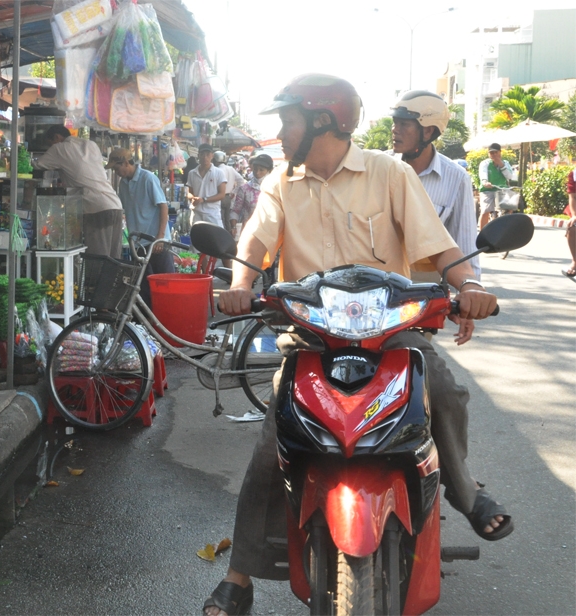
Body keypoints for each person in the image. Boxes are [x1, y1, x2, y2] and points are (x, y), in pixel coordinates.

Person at [204, 74, 512, 616]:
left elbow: (438, 246)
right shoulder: (282, 182)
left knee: (443, 388)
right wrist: (238, 286)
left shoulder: (387, 173)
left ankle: (465, 492)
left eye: (288, 120)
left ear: (323, 121)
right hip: (310, 336)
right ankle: (240, 577)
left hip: (389, 330)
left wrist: (470, 287)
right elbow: (254, 241)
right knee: (270, 442)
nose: (281, 131)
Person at [388, 89, 480, 344]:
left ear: (428, 131)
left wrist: (470, 296)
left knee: (419, 370)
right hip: (374, 286)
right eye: (394, 122)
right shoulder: (378, 169)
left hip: (419, 294)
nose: (394, 129)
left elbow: (465, 244)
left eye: (404, 124)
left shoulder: (456, 178)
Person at [34, 125, 123, 259]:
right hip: (114, 205)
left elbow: (36, 165)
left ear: (57, 137)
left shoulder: (59, 148)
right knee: (113, 259)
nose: (49, 147)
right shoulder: (91, 145)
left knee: (97, 260)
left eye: (50, 143)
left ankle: (96, 281)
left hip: (95, 208)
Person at [106, 147, 175, 307]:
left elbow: (163, 206)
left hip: (156, 242)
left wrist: (160, 237)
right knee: (143, 288)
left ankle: (168, 318)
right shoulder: (123, 184)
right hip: (138, 243)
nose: (116, 172)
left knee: (165, 284)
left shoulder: (148, 178)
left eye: (116, 168)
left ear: (125, 163)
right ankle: (148, 323)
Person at [186, 144, 228, 269]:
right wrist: (191, 197)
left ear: (212, 156)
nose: (205, 157)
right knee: (198, 245)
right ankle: (205, 273)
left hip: (212, 213)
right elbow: (189, 191)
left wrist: (204, 199)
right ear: (198, 155)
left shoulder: (218, 173)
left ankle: (229, 272)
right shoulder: (192, 173)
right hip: (197, 213)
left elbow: (221, 194)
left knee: (222, 244)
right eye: (202, 154)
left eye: (207, 154)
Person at [228, 153, 273, 237]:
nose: (257, 172)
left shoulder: (276, 188)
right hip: (249, 233)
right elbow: (236, 210)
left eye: (261, 170)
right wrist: (233, 227)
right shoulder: (245, 188)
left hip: (270, 234)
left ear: (269, 171)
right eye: (255, 169)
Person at [477, 142, 515, 231]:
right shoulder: (485, 163)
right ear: (488, 154)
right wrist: (485, 182)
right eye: (491, 153)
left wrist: (501, 165)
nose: (494, 155)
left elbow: (509, 177)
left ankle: (505, 229)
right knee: (486, 210)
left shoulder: (506, 163)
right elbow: (483, 175)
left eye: (496, 152)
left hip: (502, 190)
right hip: (487, 190)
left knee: (509, 208)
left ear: (500, 152)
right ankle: (482, 233)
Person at [214, 150, 246, 234]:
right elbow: (241, 180)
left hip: (219, 197)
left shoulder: (217, 170)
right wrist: (233, 191)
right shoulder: (230, 169)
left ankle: (223, 237)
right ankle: (229, 237)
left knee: (220, 220)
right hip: (228, 197)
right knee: (227, 219)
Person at [564, 168, 576, 279]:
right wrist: (574, 215)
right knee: (572, 227)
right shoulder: (574, 173)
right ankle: (575, 261)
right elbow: (572, 196)